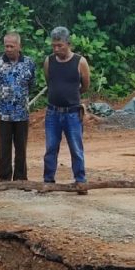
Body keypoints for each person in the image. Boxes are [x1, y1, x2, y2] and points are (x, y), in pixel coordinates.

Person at [43, 26, 90, 193]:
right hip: (53, 113)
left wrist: (72, 96)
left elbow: (85, 85)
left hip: (72, 113)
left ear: (68, 43)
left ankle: (80, 181)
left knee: (76, 148)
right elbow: (50, 81)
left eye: (59, 46)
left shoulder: (80, 62)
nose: (56, 49)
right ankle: (48, 180)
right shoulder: (49, 61)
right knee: (50, 148)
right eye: (54, 45)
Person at [0, 33, 36, 181]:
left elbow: (31, 84)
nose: (9, 49)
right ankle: (4, 179)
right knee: (4, 148)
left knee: (21, 148)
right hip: (4, 113)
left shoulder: (29, 63)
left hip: (22, 113)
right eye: (6, 46)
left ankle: (20, 178)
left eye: (12, 46)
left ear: (19, 46)